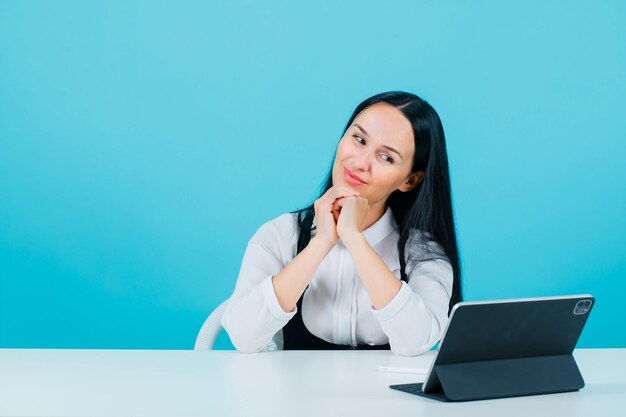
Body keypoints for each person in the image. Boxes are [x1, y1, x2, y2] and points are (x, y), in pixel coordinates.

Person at [221, 91, 462, 356]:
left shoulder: (423, 254)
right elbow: (243, 337)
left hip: (388, 398)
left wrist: (354, 238)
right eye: (359, 139)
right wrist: (321, 243)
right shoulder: (280, 235)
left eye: (386, 157)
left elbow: (417, 342)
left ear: (409, 180)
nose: (360, 163)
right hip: (295, 397)